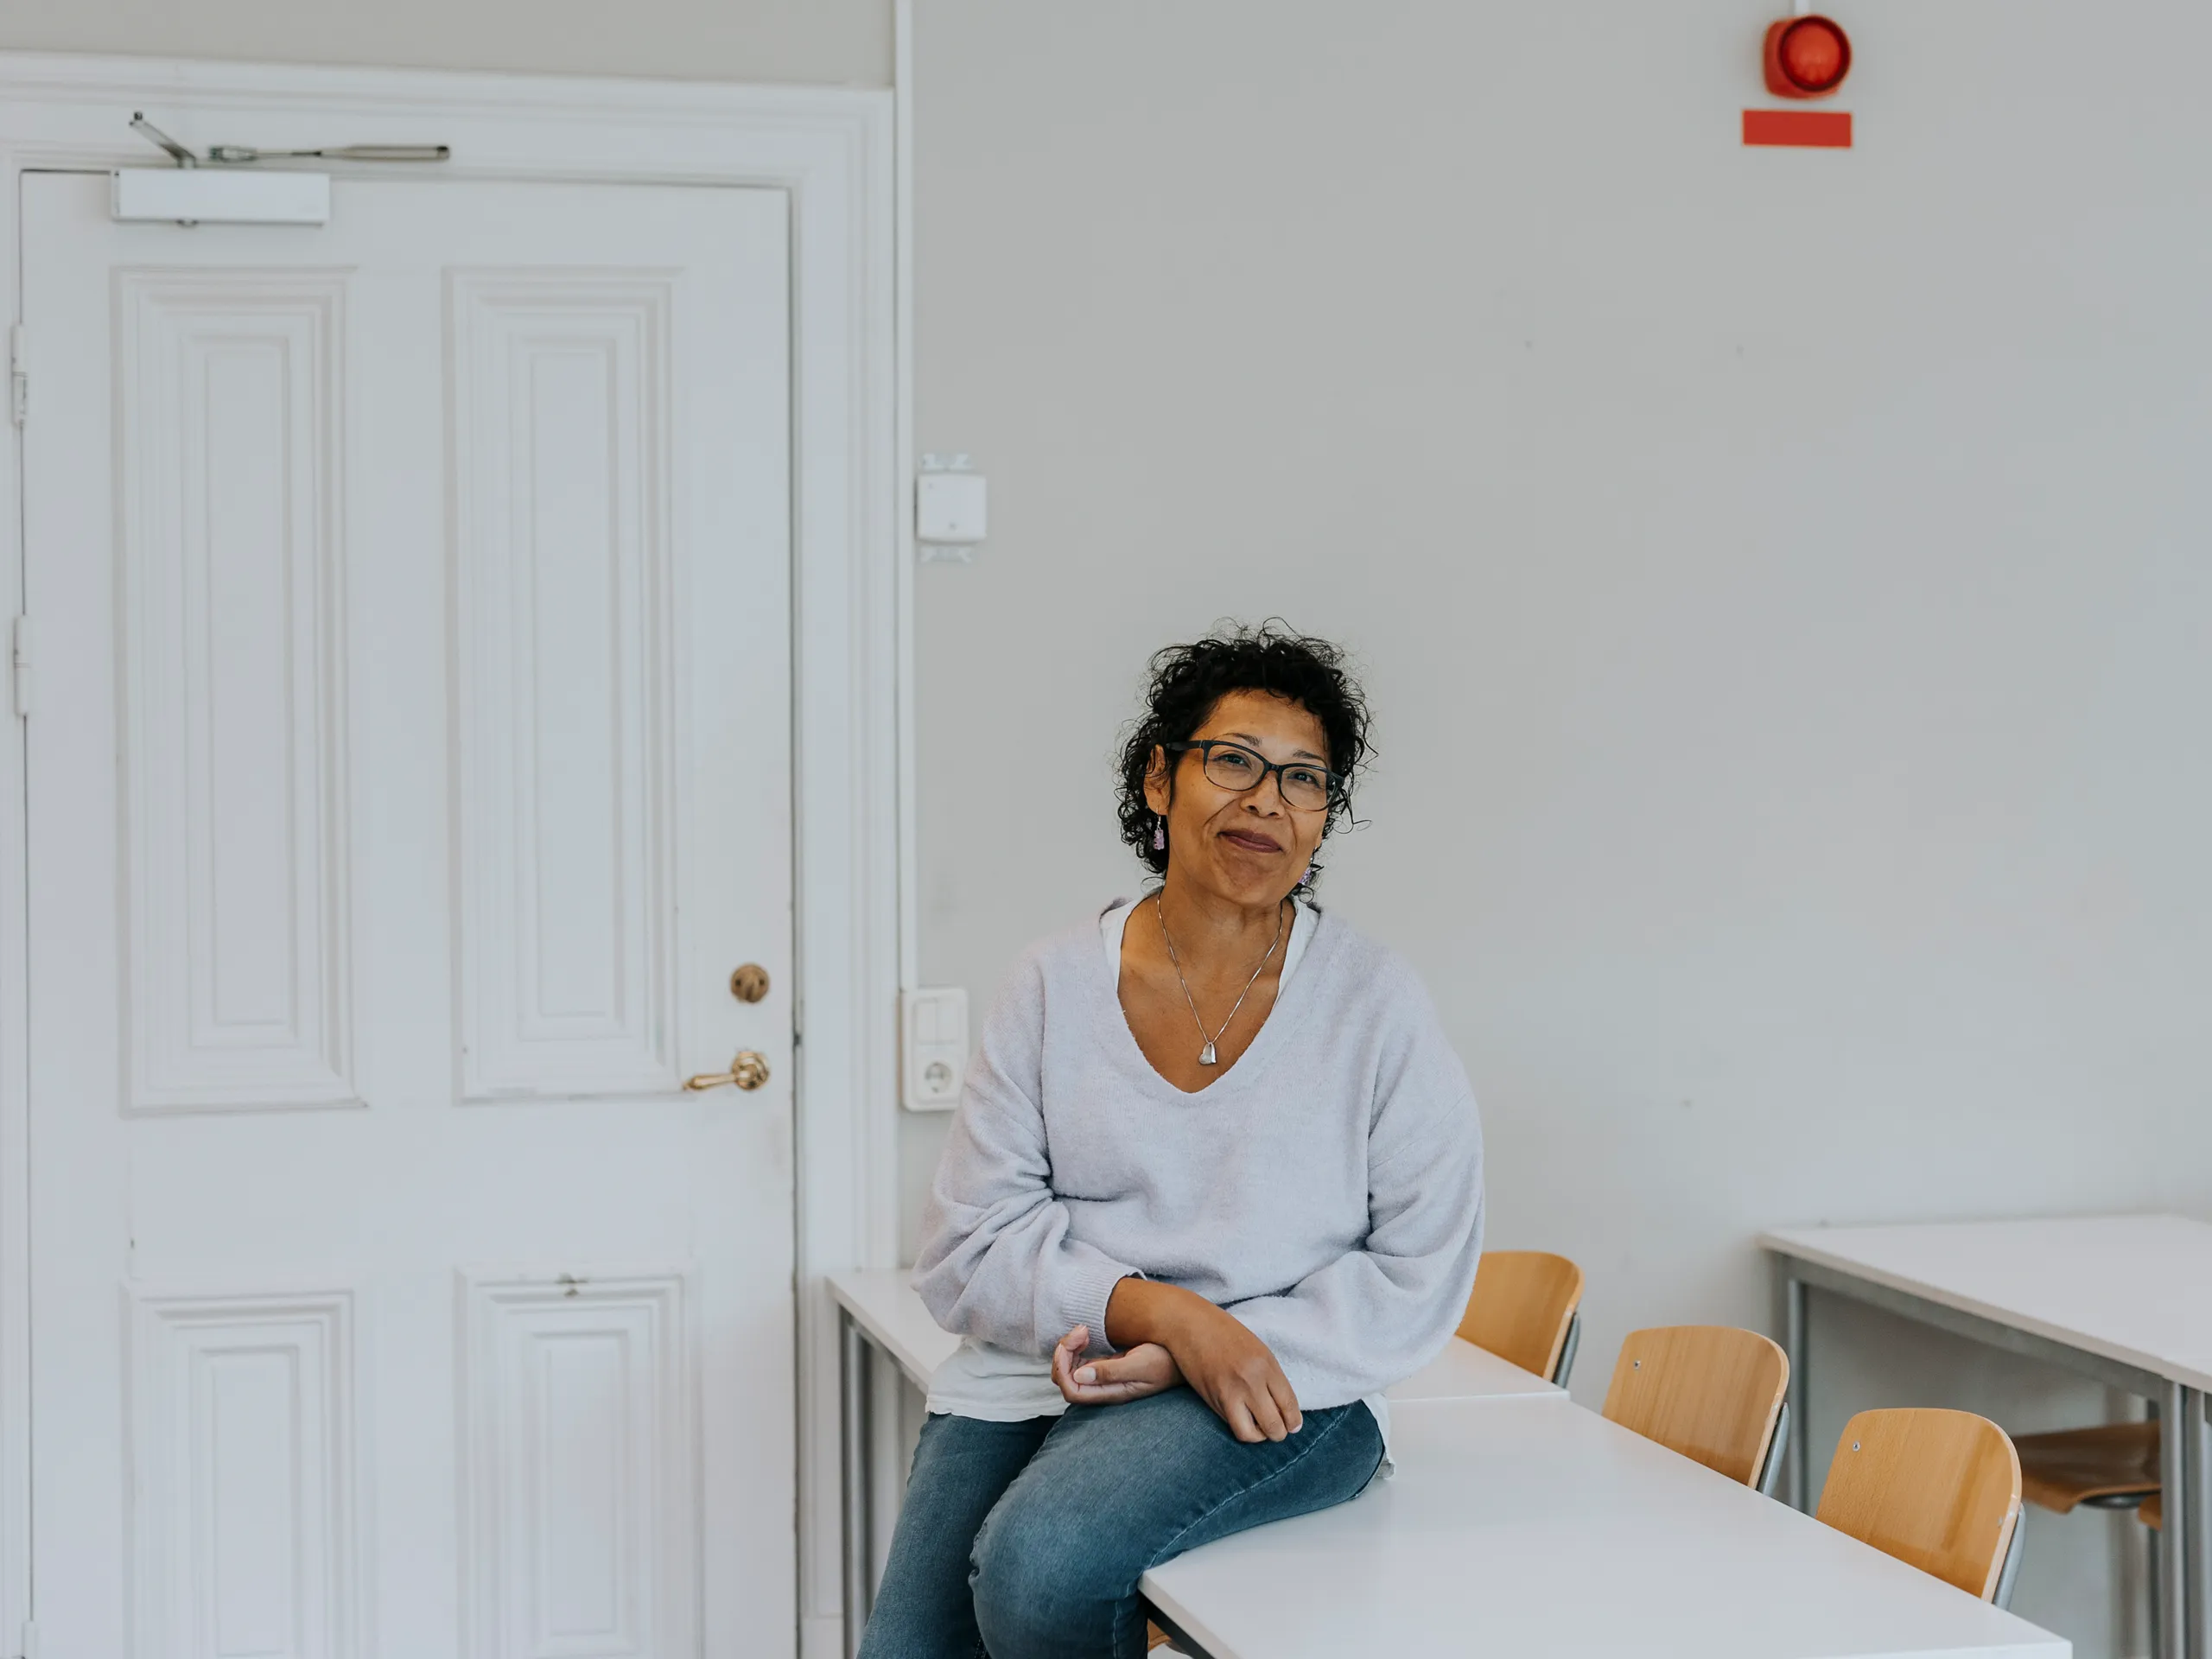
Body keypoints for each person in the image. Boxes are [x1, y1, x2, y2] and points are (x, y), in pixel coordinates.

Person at [861, 622, 1484, 1659]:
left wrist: (1222, 1341)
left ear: (1324, 818)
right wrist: (1158, 1313)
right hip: (1035, 1364)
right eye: (1232, 762)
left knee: (1037, 1569)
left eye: (1302, 779)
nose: (1265, 802)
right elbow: (967, 1247)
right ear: (1160, 779)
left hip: (1286, 1377)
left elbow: (1420, 1266)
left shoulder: (1374, 1003)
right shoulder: (1053, 982)